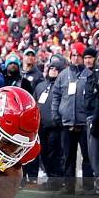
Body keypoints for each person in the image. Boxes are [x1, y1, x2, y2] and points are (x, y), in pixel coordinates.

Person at [51, 45, 94, 194]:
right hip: (67, 122)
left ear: (83, 57)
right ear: (70, 57)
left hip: (84, 123)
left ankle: (89, 186)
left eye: (79, 55)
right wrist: (56, 114)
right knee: (68, 156)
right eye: (73, 55)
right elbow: (56, 95)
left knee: (87, 157)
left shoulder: (89, 74)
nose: (76, 58)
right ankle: (69, 187)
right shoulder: (63, 75)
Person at [33, 55, 65, 189]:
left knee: (55, 153)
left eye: (56, 69)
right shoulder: (40, 86)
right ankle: (50, 176)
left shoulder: (63, 85)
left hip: (56, 126)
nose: (53, 70)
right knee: (44, 152)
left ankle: (56, 179)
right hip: (41, 126)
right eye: (51, 68)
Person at [85, 61, 99, 195]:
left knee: (96, 155)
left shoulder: (98, 75)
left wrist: (95, 122)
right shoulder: (93, 76)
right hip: (96, 118)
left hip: (97, 119)